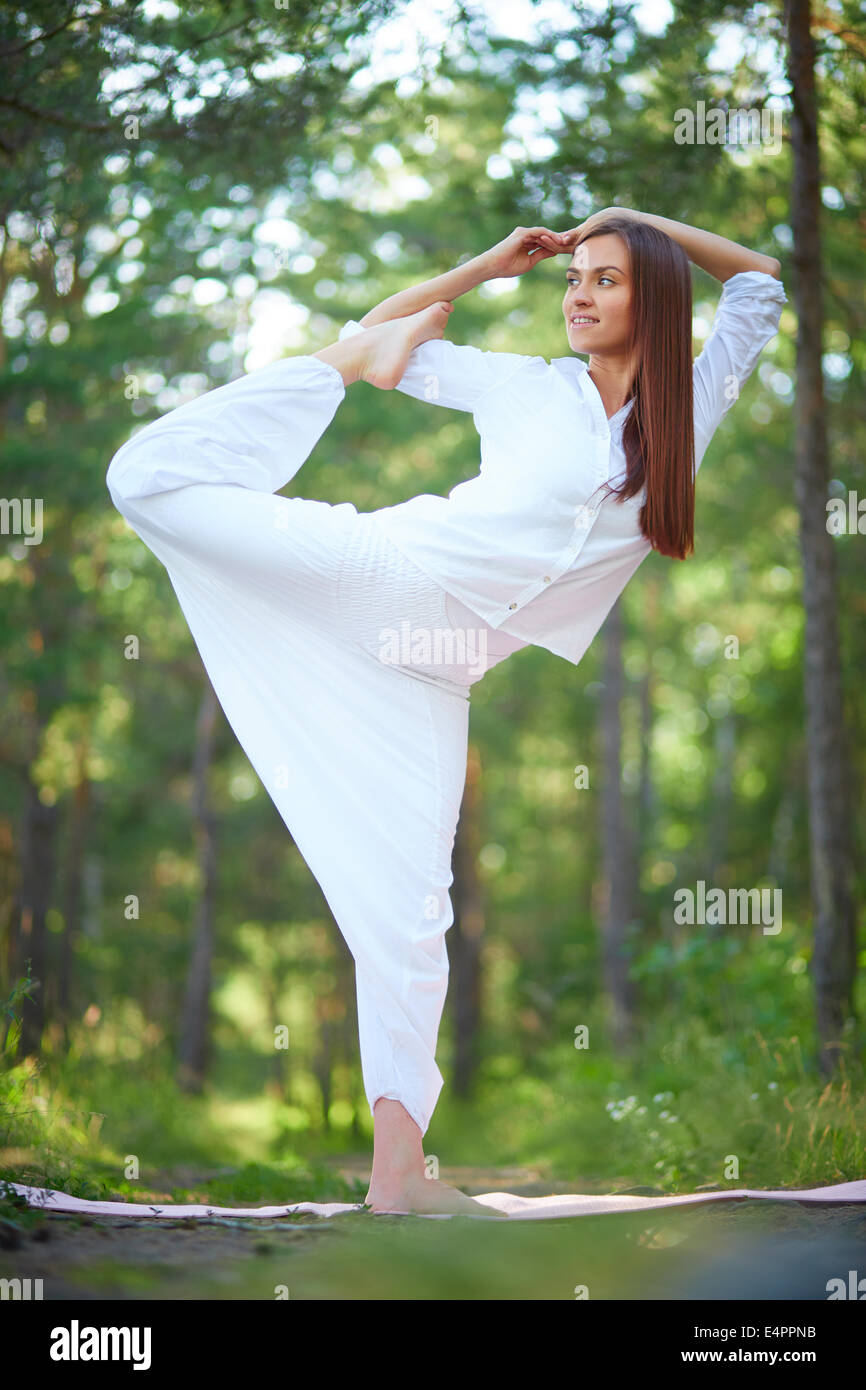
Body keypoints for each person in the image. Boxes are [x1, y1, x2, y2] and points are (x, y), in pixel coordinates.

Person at [106, 211, 786, 1217]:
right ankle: (319, 379)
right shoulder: (521, 387)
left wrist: (637, 224)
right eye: (573, 279)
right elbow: (386, 327)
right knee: (146, 481)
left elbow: (760, 281)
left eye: (605, 280)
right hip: (377, 575)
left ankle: (397, 1179)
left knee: (410, 915)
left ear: (652, 295)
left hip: (435, 673)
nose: (577, 294)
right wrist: (478, 270)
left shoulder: (692, 402)